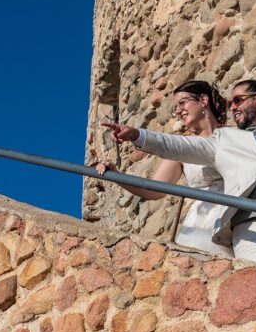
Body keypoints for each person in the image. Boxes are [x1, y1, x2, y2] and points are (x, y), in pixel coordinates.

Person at [102, 77, 256, 278]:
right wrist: (137, 135)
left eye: (238, 100)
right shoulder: (223, 140)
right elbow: (173, 150)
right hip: (244, 228)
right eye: (230, 102)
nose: (231, 106)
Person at [96, 80, 233, 258]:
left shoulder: (234, 136)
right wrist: (114, 175)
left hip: (238, 219)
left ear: (203, 100)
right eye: (176, 106)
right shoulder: (180, 148)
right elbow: (153, 190)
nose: (178, 111)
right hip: (202, 226)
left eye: (182, 103)